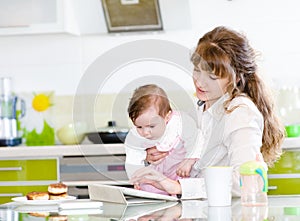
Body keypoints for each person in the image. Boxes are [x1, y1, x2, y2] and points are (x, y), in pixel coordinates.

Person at [129, 26, 285, 198]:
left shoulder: (240, 112)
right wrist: (158, 157)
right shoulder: (200, 107)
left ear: (235, 77)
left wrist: (179, 187)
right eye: (197, 70)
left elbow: (249, 180)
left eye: (212, 77)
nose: (200, 82)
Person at [125, 84, 202, 195]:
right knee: (147, 187)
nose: (145, 132)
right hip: (157, 172)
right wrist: (136, 176)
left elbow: (196, 138)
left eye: (151, 126)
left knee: (186, 184)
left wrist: (189, 160)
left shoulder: (180, 123)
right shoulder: (135, 135)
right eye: (139, 127)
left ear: (167, 116)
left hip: (179, 170)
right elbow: (133, 157)